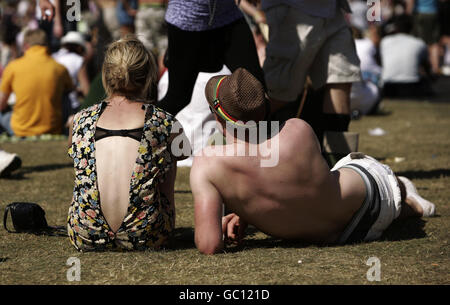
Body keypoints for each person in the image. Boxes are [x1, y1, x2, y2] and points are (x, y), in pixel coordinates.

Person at [190, 68, 436, 255]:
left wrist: (247, 212)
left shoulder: (207, 166)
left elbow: (210, 245)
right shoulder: (298, 130)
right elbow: (300, 188)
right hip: (367, 205)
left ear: (219, 120)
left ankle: (406, 193)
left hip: (350, 228)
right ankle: (407, 199)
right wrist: (246, 214)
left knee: (365, 179)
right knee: (356, 181)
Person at [67, 36, 188, 251]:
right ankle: (158, 220)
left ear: (106, 74)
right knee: (168, 155)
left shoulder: (80, 119)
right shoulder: (165, 121)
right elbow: (184, 153)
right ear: (148, 76)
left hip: (85, 233)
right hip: (146, 234)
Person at [157, 0, 265, 116]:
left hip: (227, 16)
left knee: (255, 90)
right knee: (177, 98)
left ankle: (266, 133)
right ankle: (147, 133)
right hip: (188, 21)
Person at [0, 28, 73, 137]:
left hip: (21, 129)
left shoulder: (13, 67)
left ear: (25, 46)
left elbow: (1, 104)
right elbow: (70, 92)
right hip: (53, 128)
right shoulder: (60, 68)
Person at [380, 15, 433, 98]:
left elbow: (381, 62)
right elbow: (427, 67)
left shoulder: (384, 41)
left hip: (388, 86)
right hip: (411, 86)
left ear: (395, 28)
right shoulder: (419, 43)